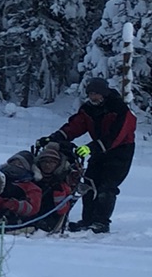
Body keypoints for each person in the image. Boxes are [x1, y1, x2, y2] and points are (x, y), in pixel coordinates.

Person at [56, 78, 137, 232]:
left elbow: (116, 137)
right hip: (99, 149)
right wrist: (57, 137)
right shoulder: (88, 109)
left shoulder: (120, 109)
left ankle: (101, 222)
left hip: (120, 151)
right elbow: (75, 126)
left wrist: (91, 148)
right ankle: (87, 220)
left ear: (104, 94)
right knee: (89, 184)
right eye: (91, 94)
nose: (93, 97)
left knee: (107, 186)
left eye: (96, 94)